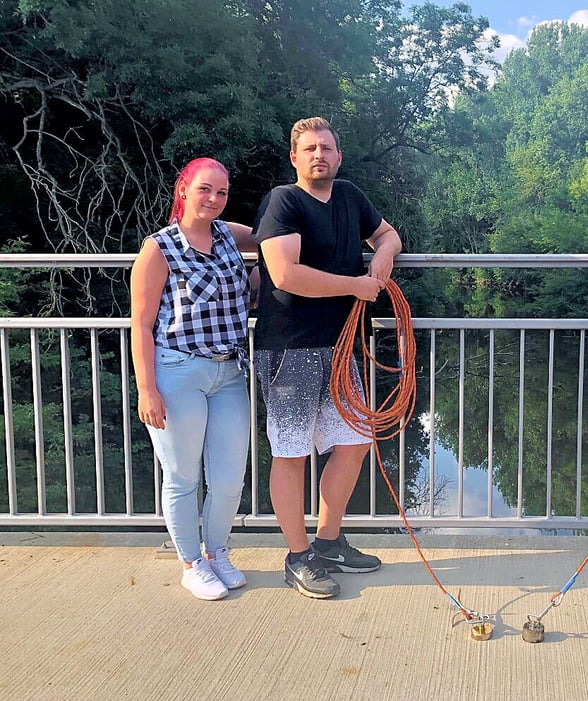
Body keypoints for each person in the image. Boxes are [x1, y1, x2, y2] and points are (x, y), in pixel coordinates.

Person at [252, 116, 402, 600]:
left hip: (339, 348)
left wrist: (382, 254)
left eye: (327, 147)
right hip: (289, 349)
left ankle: (330, 540)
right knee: (291, 454)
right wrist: (356, 285)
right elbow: (285, 274)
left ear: (339, 156)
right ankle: (298, 557)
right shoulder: (284, 201)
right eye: (310, 148)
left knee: (356, 440)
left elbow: (388, 234)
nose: (319, 154)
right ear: (295, 158)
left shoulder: (350, 196)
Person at [131, 157, 257, 601]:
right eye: (205, 189)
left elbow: (272, 236)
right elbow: (141, 324)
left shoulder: (227, 234)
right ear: (183, 189)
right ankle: (191, 562)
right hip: (177, 370)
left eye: (221, 192)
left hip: (228, 371)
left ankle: (217, 550)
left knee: (227, 477)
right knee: (182, 476)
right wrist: (147, 389)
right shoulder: (159, 247)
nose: (214, 199)